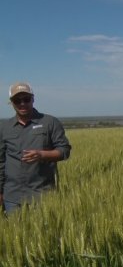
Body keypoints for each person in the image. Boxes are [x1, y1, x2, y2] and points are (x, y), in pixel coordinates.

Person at [0, 82, 71, 215]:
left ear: (33, 98)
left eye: (26, 99)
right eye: (17, 100)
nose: (22, 104)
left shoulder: (50, 122)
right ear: (11, 102)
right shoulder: (4, 128)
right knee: (15, 234)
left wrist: (42, 155)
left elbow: (65, 150)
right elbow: (1, 162)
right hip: (13, 197)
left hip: (43, 195)